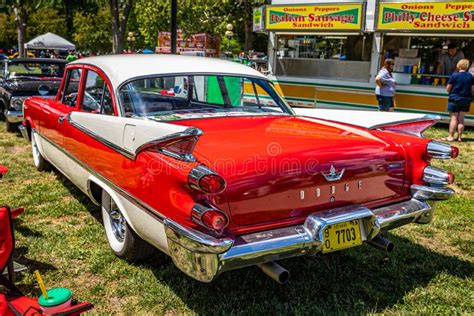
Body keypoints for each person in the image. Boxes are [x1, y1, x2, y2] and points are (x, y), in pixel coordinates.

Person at [444, 59, 474, 142]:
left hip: (454, 98)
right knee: (461, 119)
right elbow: (472, 89)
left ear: (458, 65)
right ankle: (460, 137)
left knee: (454, 119)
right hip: (466, 99)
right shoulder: (470, 76)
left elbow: (448, 89)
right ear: (467, 66)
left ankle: (451, 137)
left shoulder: (454, 75)